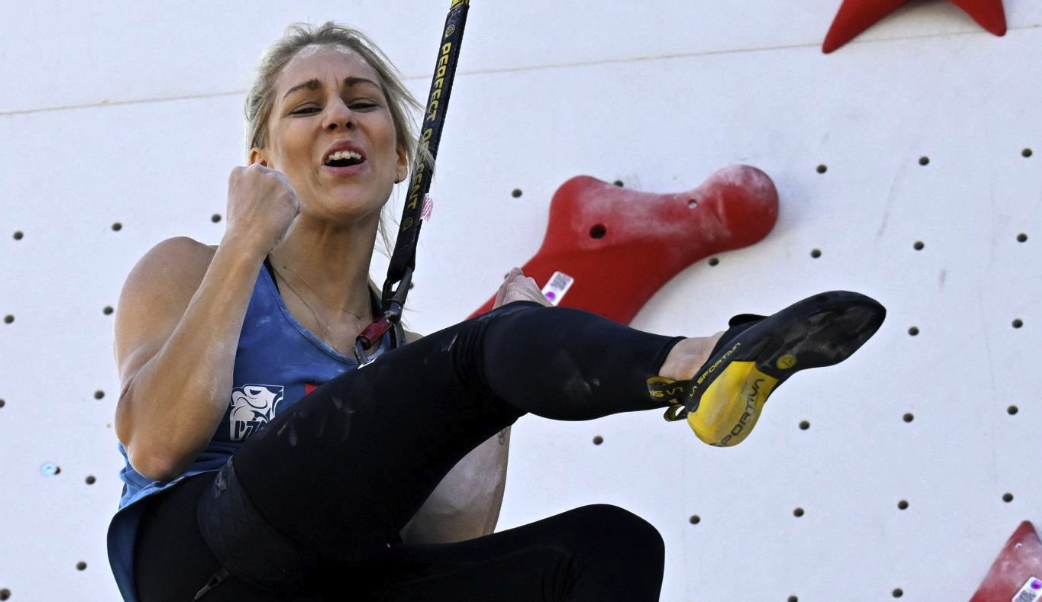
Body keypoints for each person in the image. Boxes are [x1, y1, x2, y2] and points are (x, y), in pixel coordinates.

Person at [105, 21, 886, 602]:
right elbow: (157, 447)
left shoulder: (397, 351)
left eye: (362, 101)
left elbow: (440, 542)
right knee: (483, 349)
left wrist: (503, 401)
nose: (339, 117)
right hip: (199, 567)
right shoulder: (194, 270)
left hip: (327, 582)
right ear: (261, 162)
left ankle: (690, 367)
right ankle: (693, 360)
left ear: (402, 156)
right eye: (305, 107)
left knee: (610, 546)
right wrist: (244, 242)